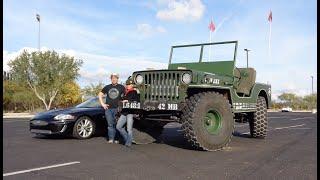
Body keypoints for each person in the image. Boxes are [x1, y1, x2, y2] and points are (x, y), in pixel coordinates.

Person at [99, 73, 125, 144]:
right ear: (111, 79)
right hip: (108, 109)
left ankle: (117, 139)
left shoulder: (121, 87)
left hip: (117, 109)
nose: (114, 79)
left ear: (117, 79)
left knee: (117, 124)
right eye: (113, 78)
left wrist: (124, 101)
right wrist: (102, 104)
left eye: (115, 78)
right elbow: (100, 94)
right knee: (110, 124)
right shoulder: (107, 87)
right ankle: (111, 139)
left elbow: (125, 96)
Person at [116, 77, 139, 147]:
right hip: (124, 112)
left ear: (132, 85)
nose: (128, 85)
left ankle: (128, 143)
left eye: (129, 84)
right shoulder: (125, 92)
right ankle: (128, 139)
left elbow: (137, 101)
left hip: (130, 112)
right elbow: (121, 99)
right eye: (127, 84)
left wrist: (128, 101)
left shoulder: (134, 92)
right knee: (118, 127)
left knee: (129, 129)